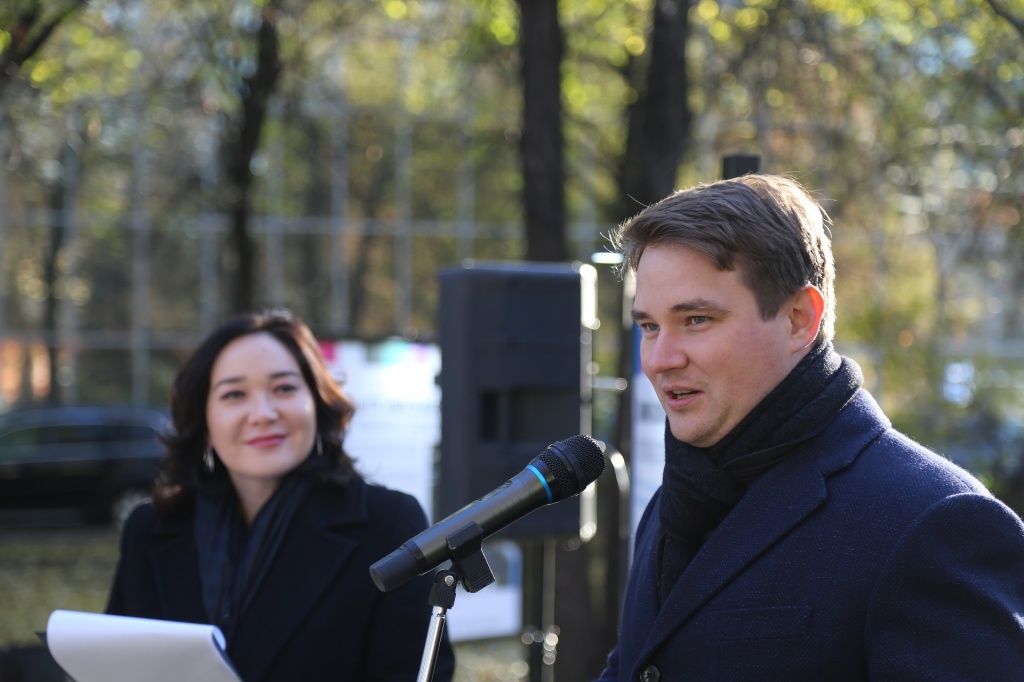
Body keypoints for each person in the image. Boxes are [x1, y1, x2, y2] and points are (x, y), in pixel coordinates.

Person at [596, 174, 1024, 680]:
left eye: (696, 320)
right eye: (649, 326)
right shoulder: (675, 501)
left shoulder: (934, 521)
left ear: (799, 318)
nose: (660, 359)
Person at [106, 309, 454, 682]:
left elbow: (418, 674)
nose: (263, 413)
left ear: (318, 404)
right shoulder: (150, 528)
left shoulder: (389, 523)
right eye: (234, 394)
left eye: (284, 388)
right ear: (203, 420)